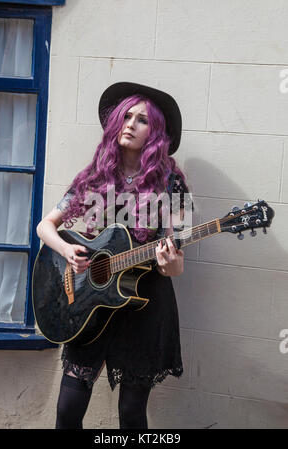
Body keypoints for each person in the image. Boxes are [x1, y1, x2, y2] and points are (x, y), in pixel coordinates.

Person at [36, 82, 191, 429]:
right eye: (127, 116)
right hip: (90, 302)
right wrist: (66, 249)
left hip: (145, 303)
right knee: (68, 409)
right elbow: (45, 227)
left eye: (142, 120)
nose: (130, 124)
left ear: (156, 133)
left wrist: (172, 264)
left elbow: (176, 257)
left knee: (132, 415)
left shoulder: (172, 183)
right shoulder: (95, 175)